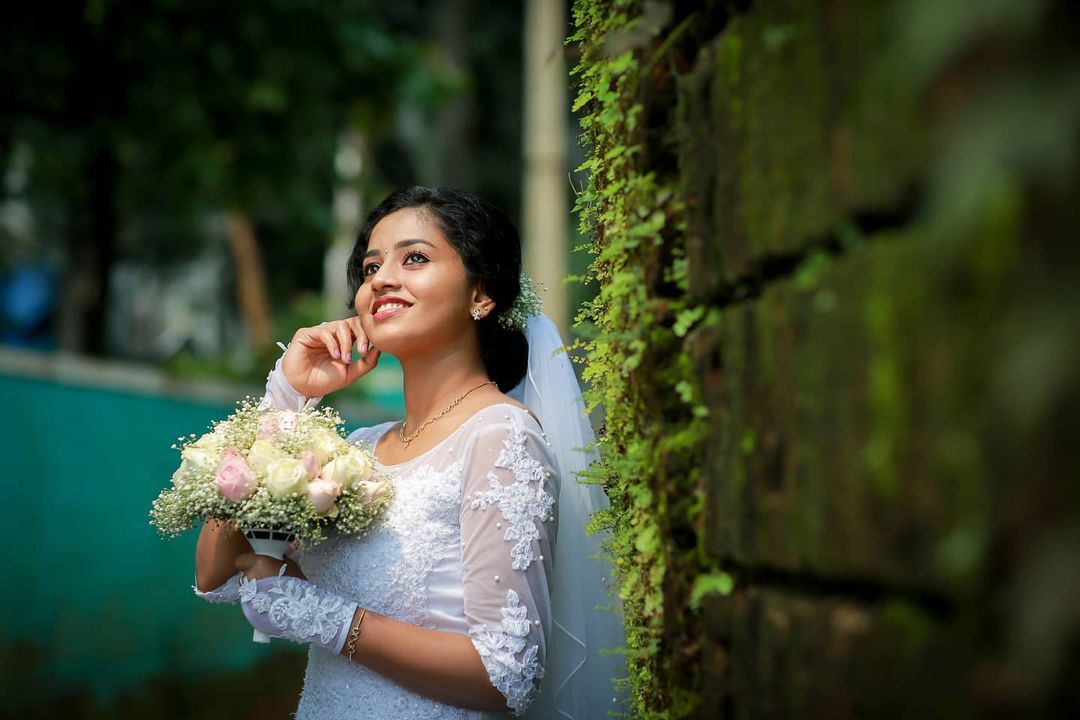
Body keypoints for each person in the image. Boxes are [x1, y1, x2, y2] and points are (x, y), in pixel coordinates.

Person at [192, 186, 626, 718]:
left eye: (414, 258)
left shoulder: (500, 436)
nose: (381, 279)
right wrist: (288, 395)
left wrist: (332, 620)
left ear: (481, 294)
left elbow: (507, 673)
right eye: (371, 267)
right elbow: (217, 573)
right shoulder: (357, 449)